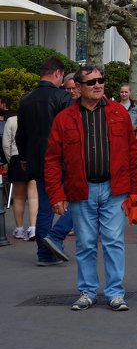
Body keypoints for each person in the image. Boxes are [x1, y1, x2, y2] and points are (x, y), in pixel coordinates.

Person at [45, 64, 137, 311]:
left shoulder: (119, 114)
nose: (98, 85)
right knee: (86, 243)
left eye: (101, 80)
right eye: (91, 82)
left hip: (114, 189)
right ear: (78, 87)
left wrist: (135, 190)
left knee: (113, 241)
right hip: (82, 190)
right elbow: (52, 159)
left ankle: (115, 293)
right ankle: (87, 291)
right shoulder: (64, 118)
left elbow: (133, 153)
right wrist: (56, 194)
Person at [15, 55, 74, 266]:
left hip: (36, 159)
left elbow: (20, 134)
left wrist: (23, 157)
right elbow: (70, 130)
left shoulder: (26, 100)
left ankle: (44, 253)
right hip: (61, 159)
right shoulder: (62, 98)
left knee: (45, 207)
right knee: (80, 200)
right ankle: (55, 238)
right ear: (57, 73)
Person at [3, 111, 38, 240]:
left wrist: (10, 159)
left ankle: (19, 229)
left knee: (18, 197)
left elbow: (6, 144)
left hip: (16, 157)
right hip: (33, 158)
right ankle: (33, 228)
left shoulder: (11, 120)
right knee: (34, 196)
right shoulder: (36, 118)